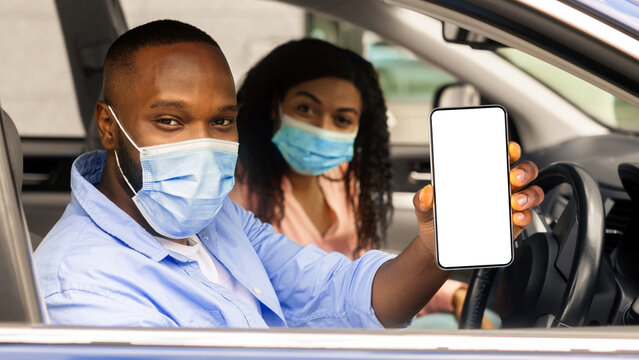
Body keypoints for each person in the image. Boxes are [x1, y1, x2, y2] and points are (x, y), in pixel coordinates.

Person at [33, 20, 543, 329]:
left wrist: (436, 249)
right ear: (108, 125)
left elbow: (342, 294)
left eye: (221, 121)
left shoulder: (216, 223)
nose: (201, 143)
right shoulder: (84, 290)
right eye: (170, 121)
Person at [229, 39, 470, 324]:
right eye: (306, 109)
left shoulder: (343, 179)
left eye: (342, 120)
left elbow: (363, 284)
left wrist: (453, 293)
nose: (322, 129)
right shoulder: (235, 193)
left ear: (358, 128)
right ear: (275, 107)